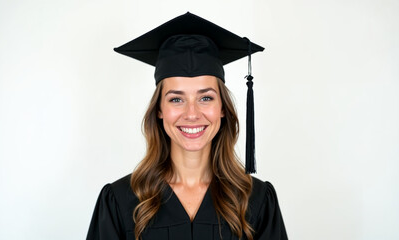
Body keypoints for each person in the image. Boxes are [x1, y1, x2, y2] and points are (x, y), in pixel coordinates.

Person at [86, 12, 288, 240]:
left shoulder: (256, 200)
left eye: (205, 98)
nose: (192, 114)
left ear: (223, 108)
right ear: (159, 110)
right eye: (176, 99)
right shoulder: (121, 202)